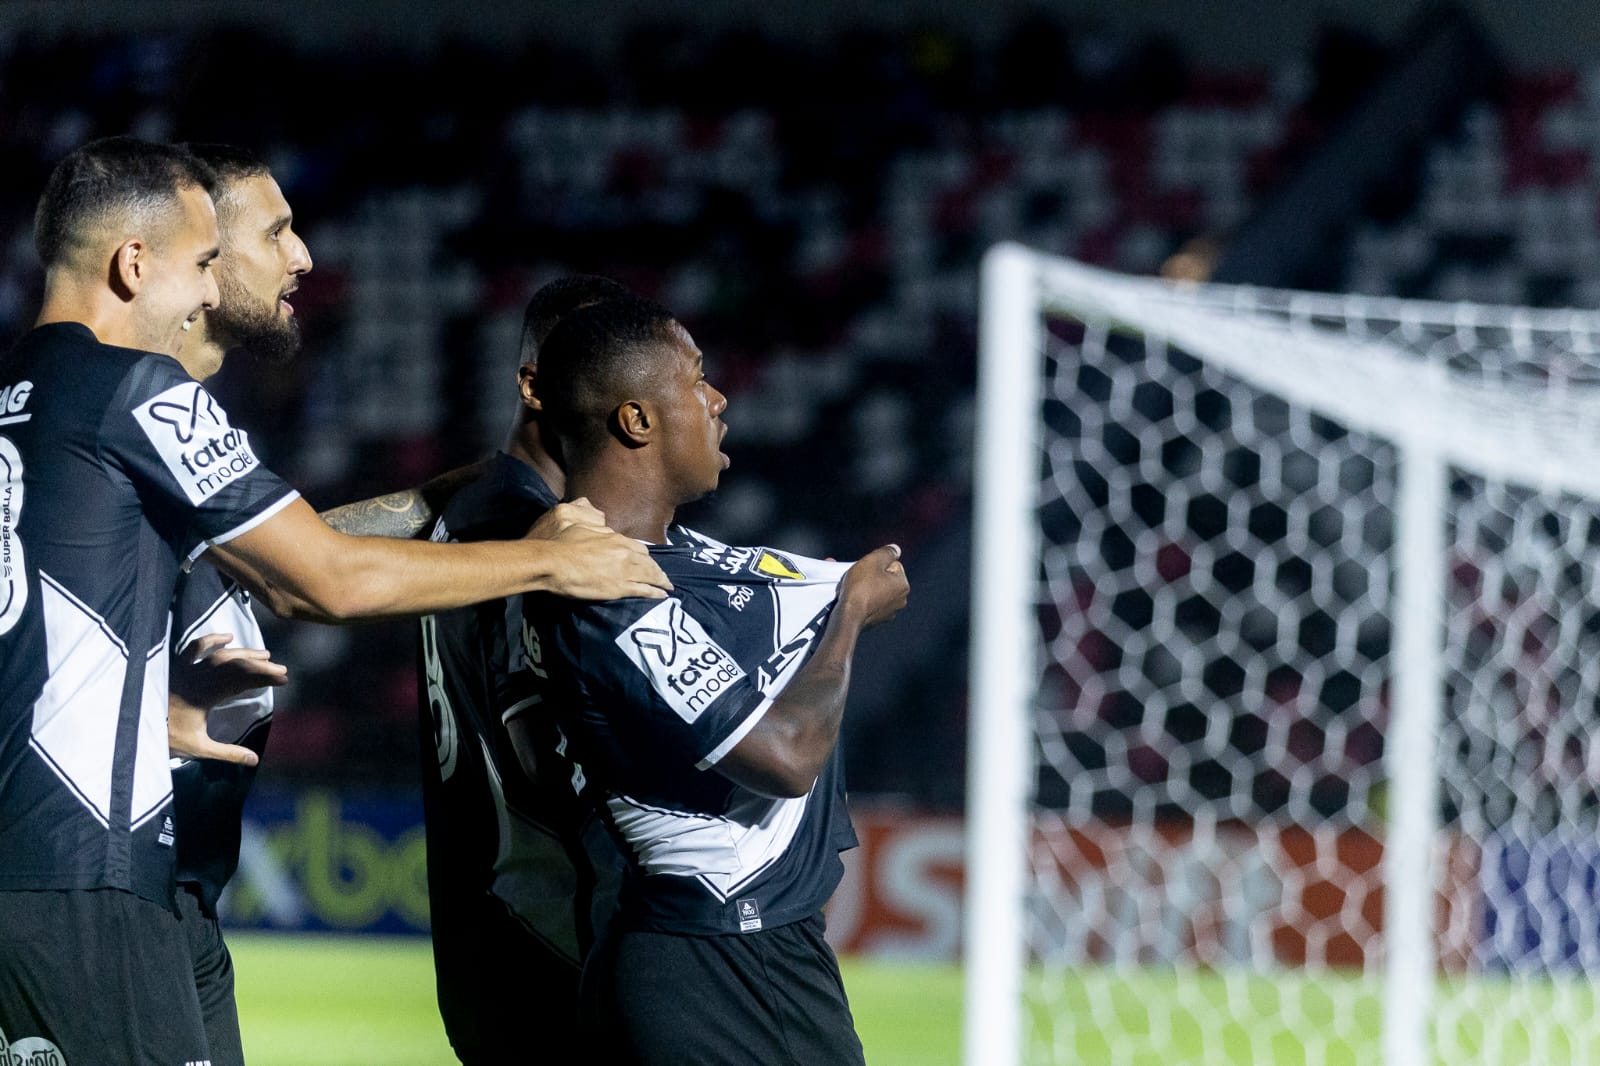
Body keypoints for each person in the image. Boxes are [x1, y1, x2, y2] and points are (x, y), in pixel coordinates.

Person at [0, 136, 668, 1065]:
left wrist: (135, 707)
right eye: (206, 262)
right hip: (93, 875)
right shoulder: (135, 390)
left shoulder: (21, 402)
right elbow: (324, 577)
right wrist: (547, 561)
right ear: (134, 262)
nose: (207, 289)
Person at [517, 294, 909, 1065]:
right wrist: (852, 615)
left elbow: (853, 579)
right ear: (638, 421)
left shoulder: (693, 560)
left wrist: (855, 593)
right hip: (718, 962)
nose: (719, 399)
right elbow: (786, 755)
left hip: (760, 952)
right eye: (697, 380)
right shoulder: (610, 593)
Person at [417, 274, 633, 1064]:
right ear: (532, 384)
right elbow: (541, 754)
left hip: (484, 929)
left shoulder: (471, 513)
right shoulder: (528, 535)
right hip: (541, 930)